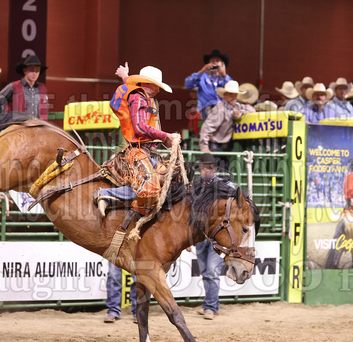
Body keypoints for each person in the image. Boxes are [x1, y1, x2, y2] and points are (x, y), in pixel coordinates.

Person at [95, 65, 180, 217]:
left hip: (148, 152)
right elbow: (140, 127)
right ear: (146, 83)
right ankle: (105, 194)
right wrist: (165, 135)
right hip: (138, 151)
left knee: (170, 182)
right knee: (148, 189)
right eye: (156, 85)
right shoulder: (138, 97)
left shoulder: (139, 95)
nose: (158, 90)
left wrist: (125, 76)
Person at [193, 153, 224, 320]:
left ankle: (210, 307)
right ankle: (211, 305)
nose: (207, 170)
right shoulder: (195, 185)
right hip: (200, 235)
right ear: (200, 168)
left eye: (210, 167)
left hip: (216, 237)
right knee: (206, 271)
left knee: (211, 271)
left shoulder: (222, 186)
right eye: (205, 167)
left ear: (215, 169)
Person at [199, 80, 255, 159]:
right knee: (217, 168)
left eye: (235, 94)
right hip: (215, 146)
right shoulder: (219, 109)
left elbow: (252, 110)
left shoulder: (235, 106)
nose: (234, 96)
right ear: (224, 95)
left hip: (225, 146)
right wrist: (204, 148)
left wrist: (241, 113)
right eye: (231, 94)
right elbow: (206, 128)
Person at [0, 55, 48, 119]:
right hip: (18, 126)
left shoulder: (42, 88)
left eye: (37, 71)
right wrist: (2, 117)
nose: (34, 73)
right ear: (24, 70)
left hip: (37, 126)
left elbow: (45, 107)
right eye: (32, 70)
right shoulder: (14, 86)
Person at [184, 49, 232, 120]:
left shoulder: (224, 78)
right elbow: (188, 84)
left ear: (222, 64)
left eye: (217, 61)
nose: (215, 63)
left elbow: (233, 89)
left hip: (222, 109)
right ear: (208, 64)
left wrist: (225, 75)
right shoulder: (203, 76)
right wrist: (201, 71)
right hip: (207, 109)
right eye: (212, 61)